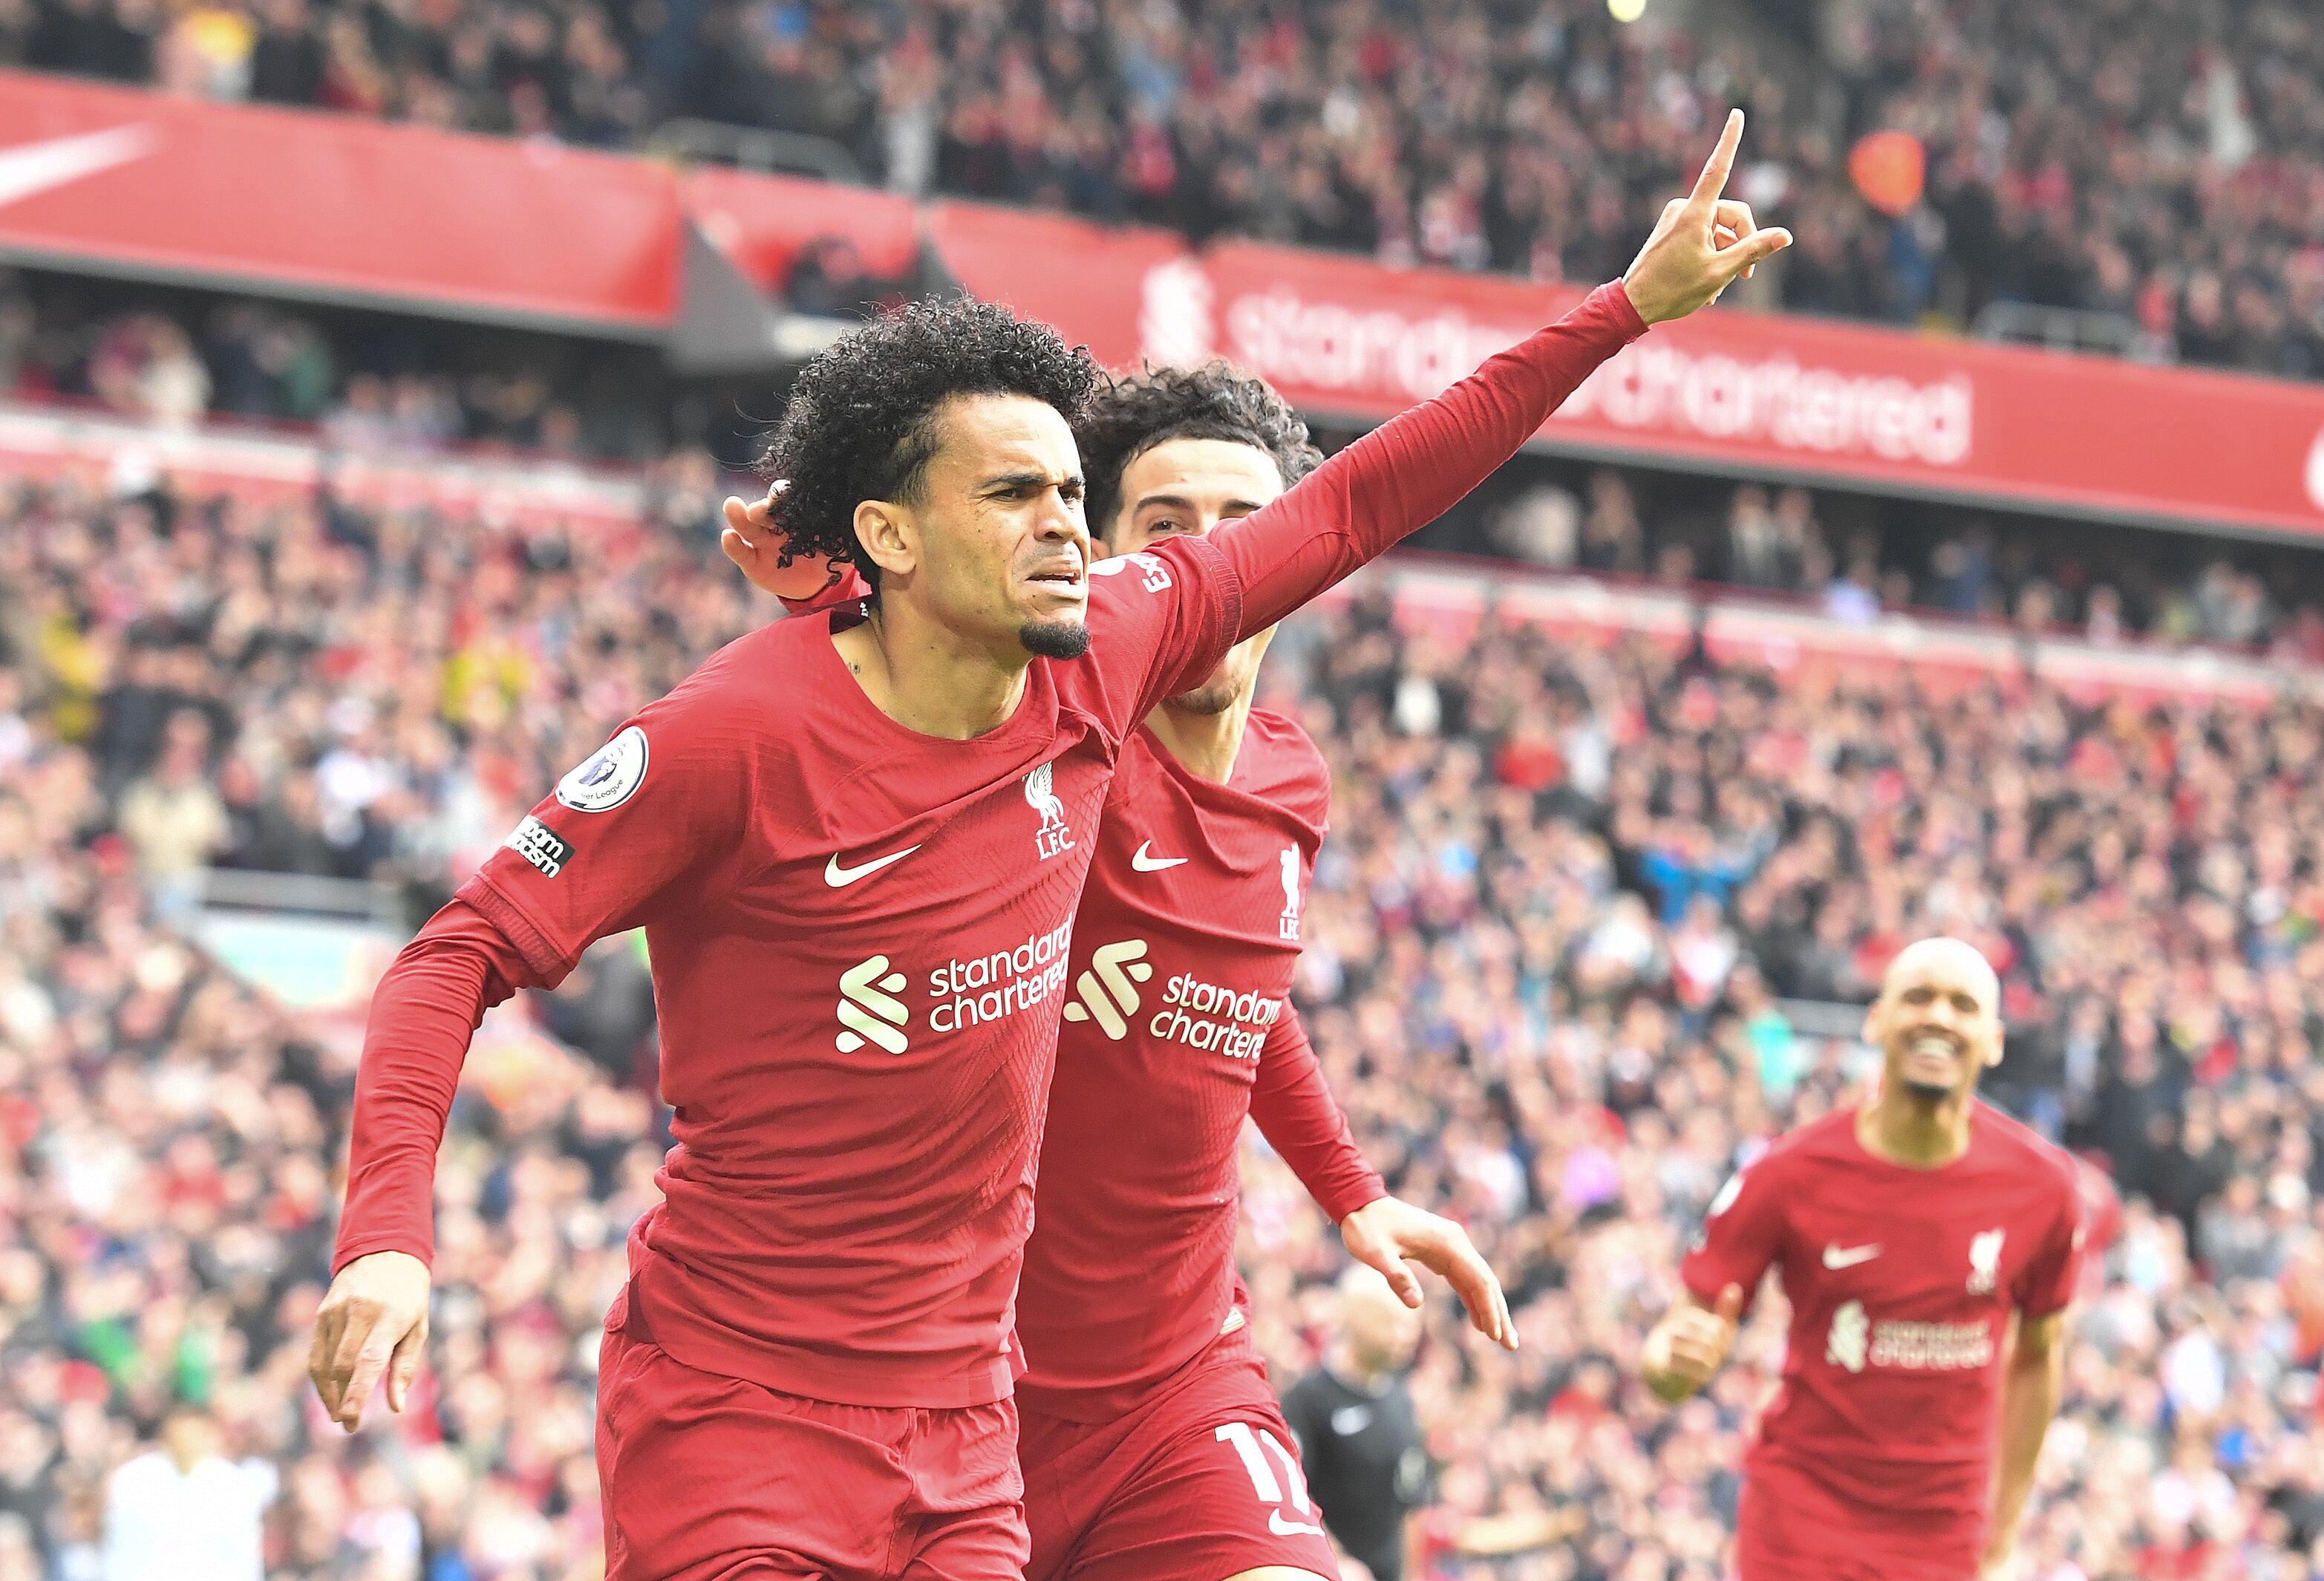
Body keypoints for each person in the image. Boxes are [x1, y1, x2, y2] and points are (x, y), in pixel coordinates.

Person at [314, 111, 1786, 1581]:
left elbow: (1355, 502)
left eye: (1073, 493)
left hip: (969, 1433)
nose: (1070, 529)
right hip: (740, 1409)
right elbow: (457, 950)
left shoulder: (1113, 658)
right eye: (1016, 495)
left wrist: (1625, 309)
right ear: (892, 537)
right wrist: (386, 1235)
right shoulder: (733, 736)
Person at [737, 362, 1513, 1581]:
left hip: (1172, 1393)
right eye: (1168, 526)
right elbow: (894, 697)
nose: (1215, 559)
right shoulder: (1034, 734)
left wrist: (1352, 1189)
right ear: (1100, 559)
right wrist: (833, 590)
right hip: (941, 1401)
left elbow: (1239, 991)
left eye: (1247, 527)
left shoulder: (1292, 778)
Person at [1638, 937, 2083, 1581]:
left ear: (1993, 1040)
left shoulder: (2043, 1188)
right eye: (1918, 997)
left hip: (1943, 1536)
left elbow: (2039, 1356)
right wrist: (1671, 1369)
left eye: (1962, 1004)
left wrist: (2004, 1535)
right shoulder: (1789, 1173)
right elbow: (1674, 1343)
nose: (1938, 1016)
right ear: (1876, 1021)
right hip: (1800, 1523)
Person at [1282, 1266, 1432, 1581]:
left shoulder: (1402, 1402)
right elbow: (1290, 1495)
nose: (1405, 1336)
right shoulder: (1306, 1401)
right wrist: (1336, 1561)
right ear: (1354, 1320)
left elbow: (1411, 1503)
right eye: (1391, 1323)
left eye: (1410, 1325)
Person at [100, 1404, 275, 1581]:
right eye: (180, 1436)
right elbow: (121, 1546)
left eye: (195, 1435)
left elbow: (243, 1553)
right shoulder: (134, 1479)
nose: (187, 1443)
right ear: (166, 1436)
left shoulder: (233, 1484)